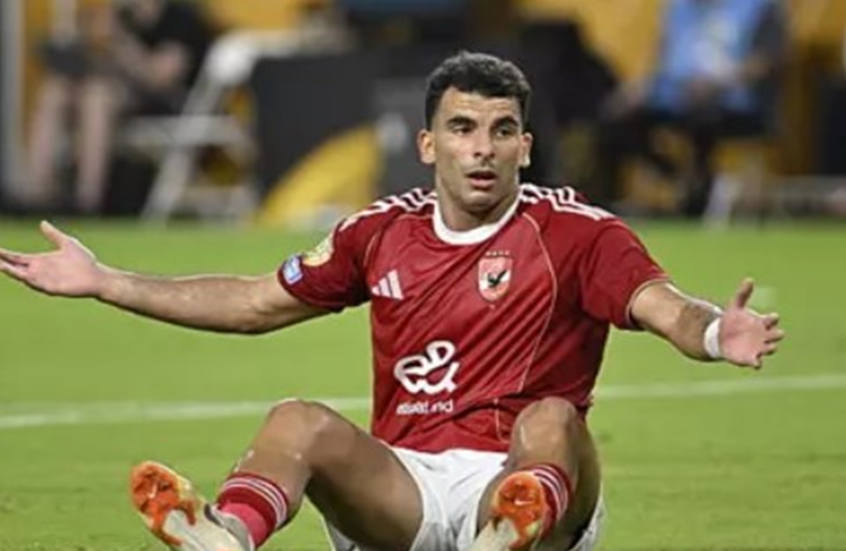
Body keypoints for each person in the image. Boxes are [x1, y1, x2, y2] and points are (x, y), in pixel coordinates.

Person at [0, 52, 783, 551]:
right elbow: (253, 302)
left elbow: (665, 307)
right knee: (297, 418)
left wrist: (719, 331)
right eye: (463, 128)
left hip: (527, 485)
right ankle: (223, 537)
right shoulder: (377, 232)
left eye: (502, 130)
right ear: (428, 144)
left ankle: (501, 535)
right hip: (404, 487)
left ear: (526, 146)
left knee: (553, 417)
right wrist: (105, 281)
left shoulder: (580, 233)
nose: (483, 148)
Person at [21, 0, 215, 215]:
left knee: (96, 97)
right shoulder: (120, 14)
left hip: (168, 104)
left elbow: (159, 78)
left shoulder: (180, 18)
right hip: (117, 95)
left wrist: (120, 41)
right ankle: (37, 194)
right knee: (54, 91)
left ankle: (87, 200)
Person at [594, 0, 787, 216]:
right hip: (675, 95)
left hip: (732, 100)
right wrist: (642, 88)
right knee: (614, 119)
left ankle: (700, 188)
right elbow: (663, 58)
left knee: (702, 117)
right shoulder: (679, 8)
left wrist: (719, 83)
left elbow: (766, 60)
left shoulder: (759, 7)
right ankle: (678, 179)